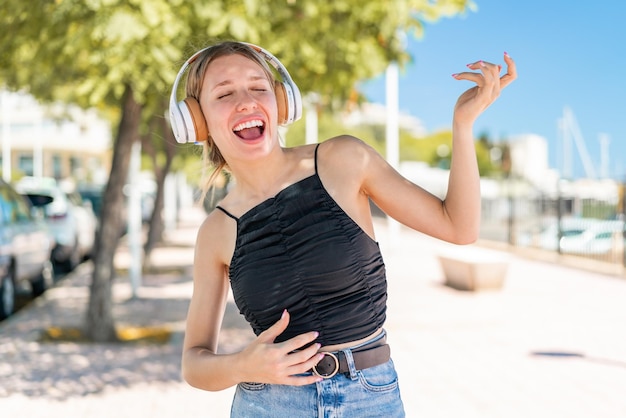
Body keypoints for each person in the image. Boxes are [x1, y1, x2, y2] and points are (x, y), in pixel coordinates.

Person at [170, 41, 516, 417]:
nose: (246, 102)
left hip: (370, 399)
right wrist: (242, 365)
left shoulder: (345, 160)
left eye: (258, 87)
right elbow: (194, 363)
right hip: (268, 405)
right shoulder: (215, 231)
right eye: (224, 93)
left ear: (281, 102)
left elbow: (459, 227)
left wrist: (462, 125)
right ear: (197, 121)